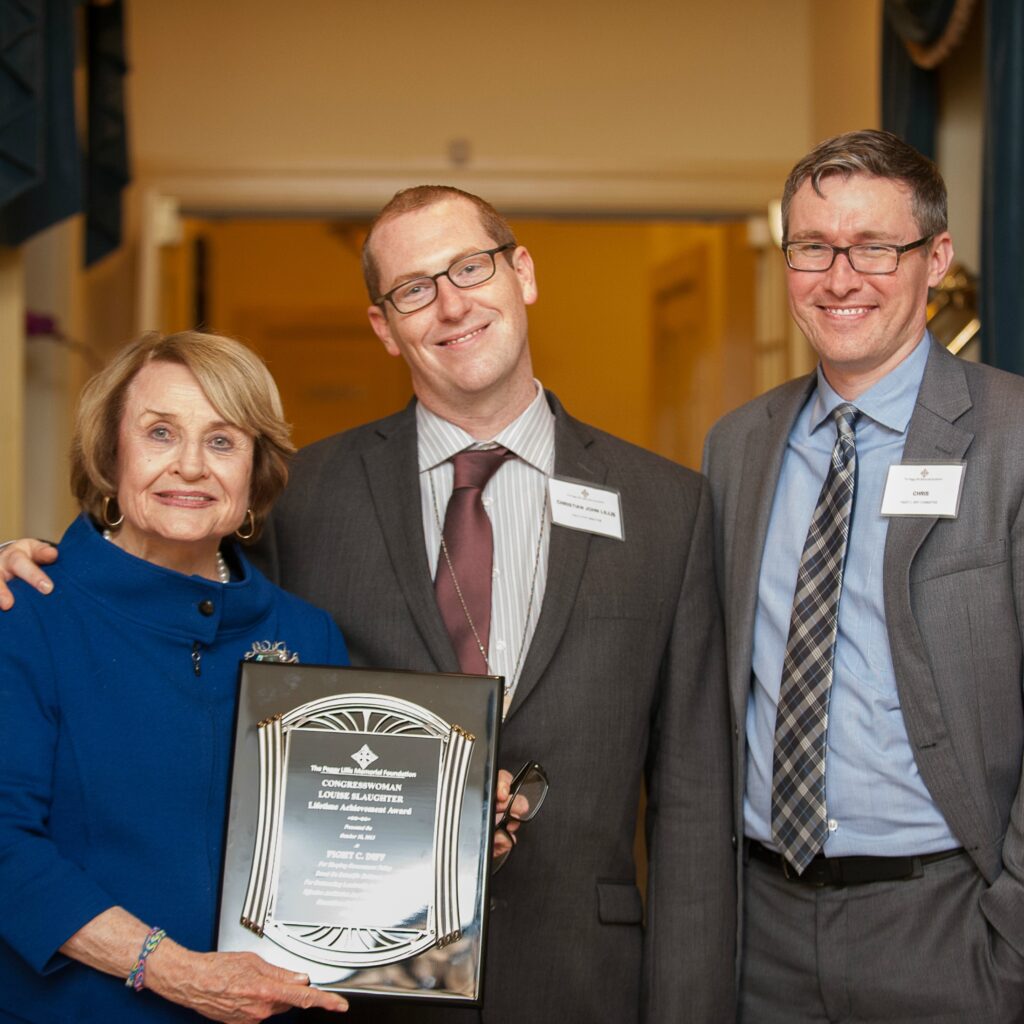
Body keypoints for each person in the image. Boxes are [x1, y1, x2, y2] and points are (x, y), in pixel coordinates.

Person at [0, 186, 736, 1023]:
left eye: (469, 267)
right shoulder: (306, 498)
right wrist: (27, 556)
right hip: (353, 997)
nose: (451, 303)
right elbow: (168, 576)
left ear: (522, 273)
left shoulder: (667, 507)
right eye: (414, 288)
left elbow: (694, 802)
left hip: (579, 978)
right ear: (384, 325)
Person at [702, 129, 1024, 1023]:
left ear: (936, 258)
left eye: (874, 247)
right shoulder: (737, 447)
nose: (840, 279)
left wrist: (1012, 944)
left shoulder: (1015, 438)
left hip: (951, 925)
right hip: (761, 929)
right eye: (813, 247)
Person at [0, 331, 351, 1023]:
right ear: (110, 454)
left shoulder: (310, 635)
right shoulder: (24, 611)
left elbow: (336, 839)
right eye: (160, 432)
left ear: (255, 471)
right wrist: (175, 971)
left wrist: (454, 826)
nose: (191, 466)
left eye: (222, 441)